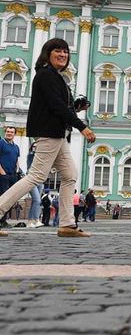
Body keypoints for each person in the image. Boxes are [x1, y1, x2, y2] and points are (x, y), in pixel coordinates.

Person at [0, 38, 96, 238]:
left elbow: (59, 105)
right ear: (48, 53)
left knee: (69, 175)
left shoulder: (55, 76)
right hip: (49, 132)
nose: (63, 55)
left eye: (66, 51)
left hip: (58, 134)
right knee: (36, 176)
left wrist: (76, 109)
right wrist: (82, 126)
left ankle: (68, 224)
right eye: (58, 51)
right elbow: (56, 106)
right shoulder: (45, 74)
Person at [0, 125, 23, 229]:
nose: (9, 133)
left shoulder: (16, 147)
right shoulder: (1, 143)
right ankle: (2, 221)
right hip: (3, 175)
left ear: (15, 134)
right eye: (8, 131)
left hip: (13, 175)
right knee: (4, 198)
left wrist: (17, 170)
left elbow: (16, 160)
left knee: (10, 199)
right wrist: (2, 172)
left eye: (11, 132)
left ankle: (4, 220)